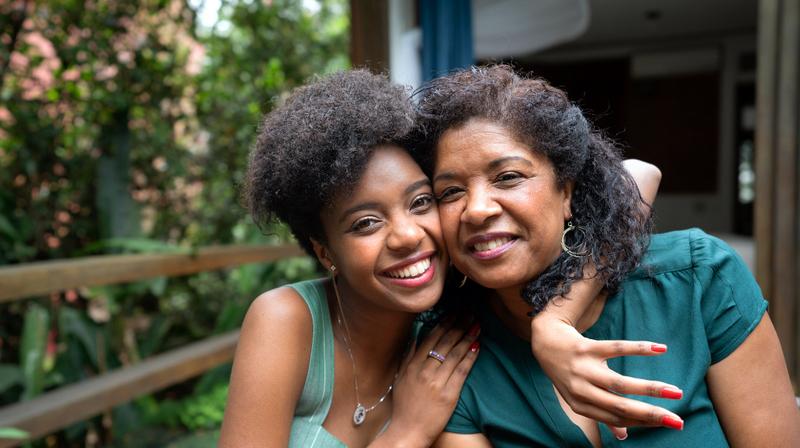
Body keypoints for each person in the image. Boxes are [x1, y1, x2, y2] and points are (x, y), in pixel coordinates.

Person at [220, 70, 675, 447]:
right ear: (324, 252)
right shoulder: (287, 321)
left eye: (421, 202)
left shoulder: (459, 315)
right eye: (366, 223)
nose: (406, 236)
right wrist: (407, 431)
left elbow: (638, 176)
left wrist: (558, 316)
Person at [408, 65, 800, 447]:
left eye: (508, 177)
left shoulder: (697, 278)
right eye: (450, 192)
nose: (476, 210)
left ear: (567, 191)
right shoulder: (452, 358)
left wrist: (555, 317)